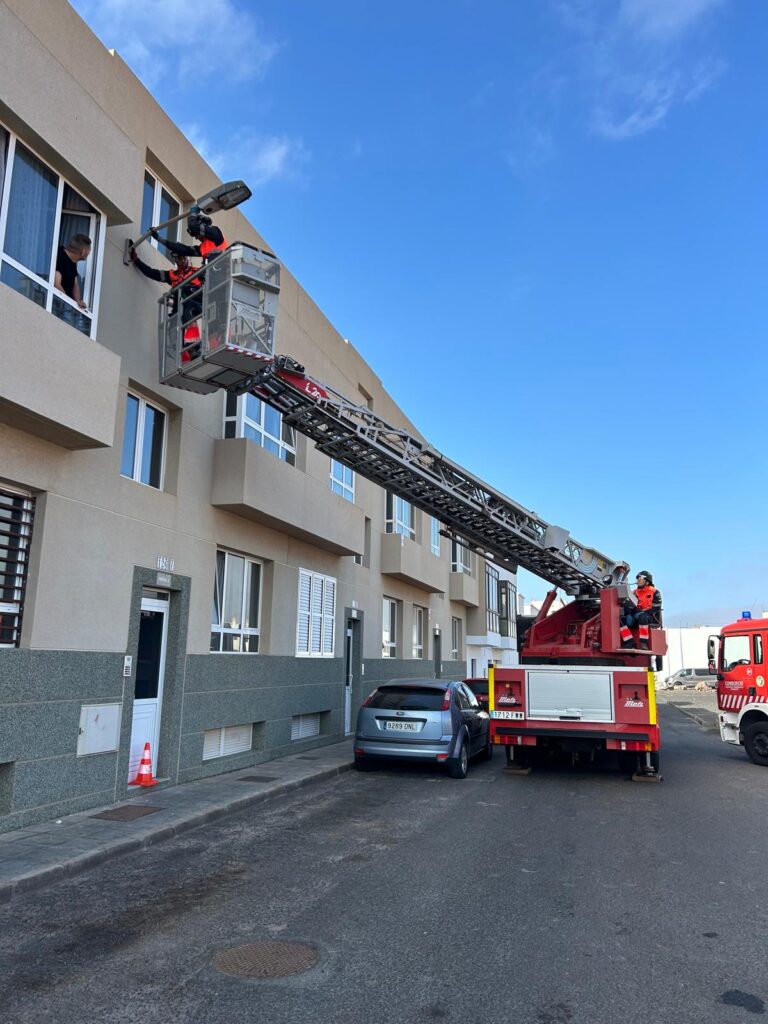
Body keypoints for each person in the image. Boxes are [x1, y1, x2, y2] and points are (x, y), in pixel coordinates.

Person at [129, 244, 203, 360]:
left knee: (187, 312)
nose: (181, 261)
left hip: (197, 303)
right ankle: (182, 353)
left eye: (183, 258)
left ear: (187, 258)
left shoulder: (198, 272)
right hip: (180, 306)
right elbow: (152, 273)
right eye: (178, 259)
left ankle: (194, 347)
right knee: (173, 323)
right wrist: (136, 260)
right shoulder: (173, 275)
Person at [151, 210, 228, 264]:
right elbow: (183, 250)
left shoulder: (216, 234)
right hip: (213, 272)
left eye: (196, 234)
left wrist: (193, 213)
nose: (196, 238)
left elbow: (193, 226)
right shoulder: (204, 246)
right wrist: (159, 238)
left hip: (220, 269)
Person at [620, 571, 662, 649]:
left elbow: (656, 607)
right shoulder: (634, 593)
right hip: (635, 615)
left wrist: (644, 612)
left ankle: (643, 643)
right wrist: (629, 612)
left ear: (647, 582)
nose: (638, 580)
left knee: (643, 617)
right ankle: (630, 642)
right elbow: (628, 605)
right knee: (621, 620)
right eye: (637, 578)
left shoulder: (655, 592)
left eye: (640, 578)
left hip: (649, 616)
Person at [54, 233, 91, 308]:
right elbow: (56, 283)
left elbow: (75, 284)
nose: (89, 253)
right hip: (55, 304)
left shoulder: (73, 262)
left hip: (61, 304)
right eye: (89, 250)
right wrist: (68, 304)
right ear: (83, 251)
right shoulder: (60, 255)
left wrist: (78, 301)